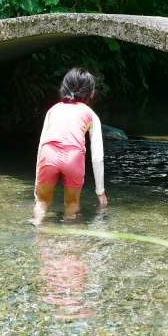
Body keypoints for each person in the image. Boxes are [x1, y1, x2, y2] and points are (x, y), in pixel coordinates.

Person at [33, 68, 107, 224]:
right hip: (73, 158)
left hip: (49, 154)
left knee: (41, 202)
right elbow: (97, 156)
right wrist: (100, 191)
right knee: (72, 205)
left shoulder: (53, 110)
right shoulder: (91, 115)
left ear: (64, 88)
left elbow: (41, 146)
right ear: (91, 93)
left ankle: (37, 231)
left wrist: (36, 183)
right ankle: (69, 241)